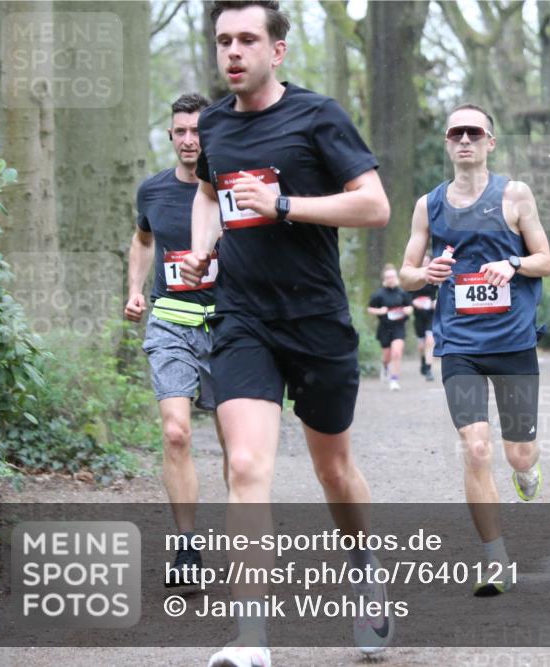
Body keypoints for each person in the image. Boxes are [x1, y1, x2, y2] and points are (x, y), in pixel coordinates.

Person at [178, 2, 393, 664]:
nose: (233, 51)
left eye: (247, 39)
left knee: (333, 467)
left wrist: (289, 206)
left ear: (277, 51)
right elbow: (211, 193)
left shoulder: (317, 116)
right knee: (245, 465)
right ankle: (251, 640)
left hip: (316, 319)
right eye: (223, 41)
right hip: (244, 316)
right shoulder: (213, 123)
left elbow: (374, 203)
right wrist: (201, 249)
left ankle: (365, 569)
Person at [398, 104, 550, 596]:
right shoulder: (430, 205)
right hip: (460, 344)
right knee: (476, 447)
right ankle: (495, 559)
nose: (465, 139)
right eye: (456, 133)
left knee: (518, 455)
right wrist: (425, 275)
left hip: (512, 344)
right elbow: (405, 271)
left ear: (490, 142)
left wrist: (513, 263)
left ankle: (527, 468)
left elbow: (545, 260)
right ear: (448, 144)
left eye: (474, 132)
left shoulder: (514, 194)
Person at [124, 92, 227, 589]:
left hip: (229, 325)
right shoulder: (153, 191)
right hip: (170, 322)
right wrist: (134, 291)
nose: (190, 139)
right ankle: (187, 546)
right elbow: (143, 239)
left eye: (198, 131)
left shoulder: (232, 191)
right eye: (181, 131)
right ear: (171, 135)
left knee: (237, 443)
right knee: (176, 432)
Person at [367, 264, 412, 391]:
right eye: (388, 277)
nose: (390, 279)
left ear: (396, 277)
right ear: (384, 279)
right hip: (384, 328)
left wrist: (408, 310)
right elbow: (370, 309)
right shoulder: (378, 294)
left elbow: (409, 306)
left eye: (392, 276)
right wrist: (380, 311)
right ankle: (385, 367)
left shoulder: (402, 292)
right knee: (387, 356)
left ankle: (394, 380)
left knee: (396, 353)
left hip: (399, 327)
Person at [408, 254, 438, 381]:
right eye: (423, 261)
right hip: (418, 315)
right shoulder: (414, 278)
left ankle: (429, 368)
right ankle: (422, 361)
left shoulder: (435, 277)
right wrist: (413, 302)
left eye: (427, 261)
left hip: (431, 313)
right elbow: (406, 295)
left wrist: (436, 301)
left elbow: (442, 292)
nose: (425, 262)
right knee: (421, 345)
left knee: (430, 340)